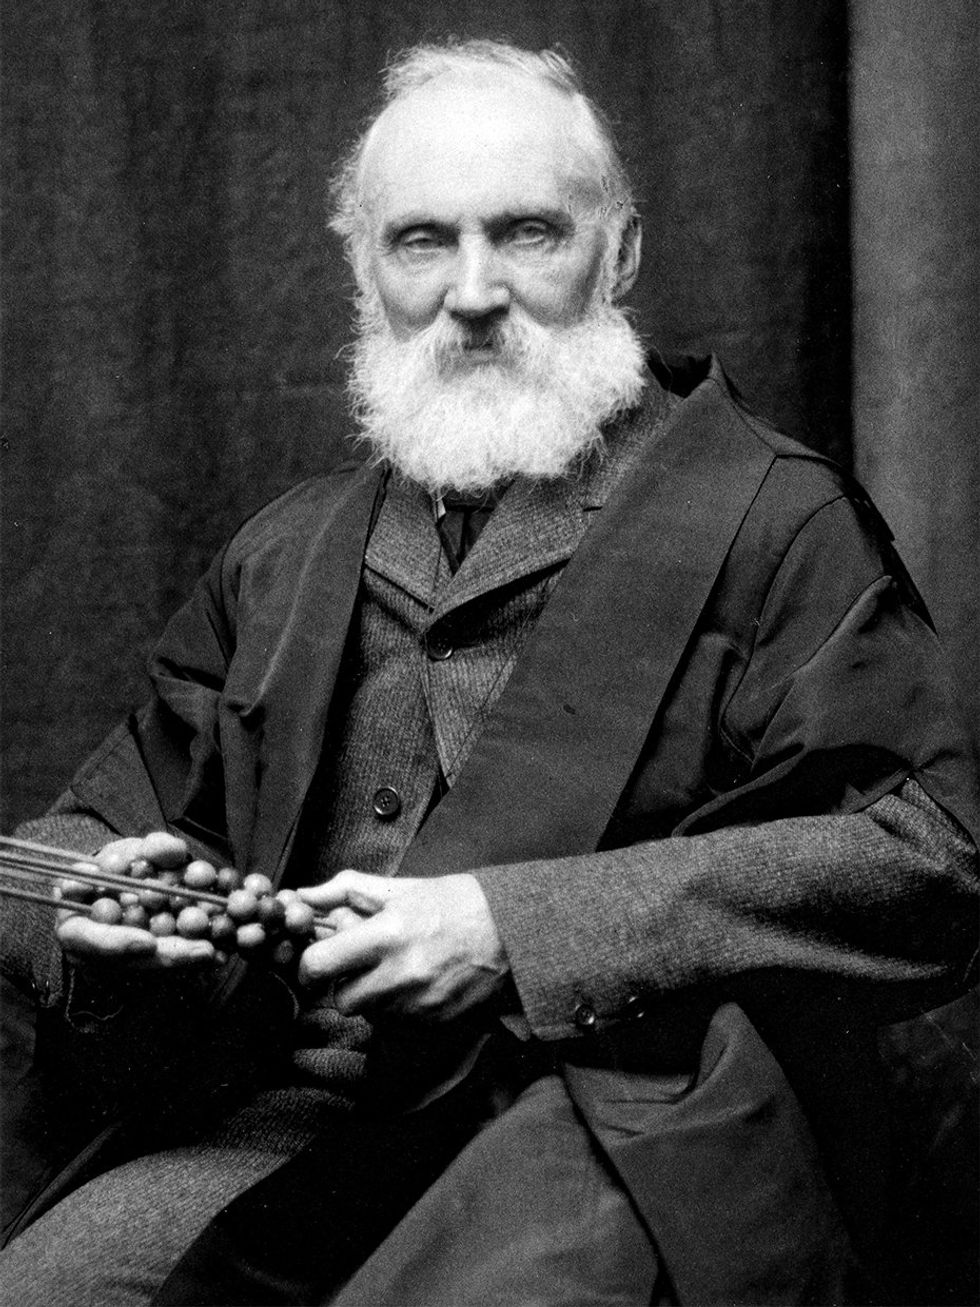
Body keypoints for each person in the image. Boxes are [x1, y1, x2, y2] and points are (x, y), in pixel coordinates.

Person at [1, 37, 977, 1307]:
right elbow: (80, 835)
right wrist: (110, 925)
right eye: (421, 242)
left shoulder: (770, 520)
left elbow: (933, 855)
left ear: (615, 255)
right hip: (291, 1113)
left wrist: (508, 930)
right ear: (365, 270)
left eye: (525, 234)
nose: (472, 290)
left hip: (620, 1114)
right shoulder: (287, 551)